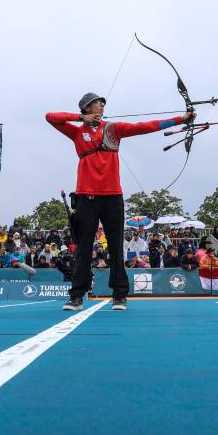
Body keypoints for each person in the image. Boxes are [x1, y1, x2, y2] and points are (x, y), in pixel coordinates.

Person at [47, 92, 194, 311]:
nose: (102, 106)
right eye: (98, 103)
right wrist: (80, 119)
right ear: (87, 108)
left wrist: (180, 119)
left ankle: (119, 296)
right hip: (86, 197)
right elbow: (50, 116)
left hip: (112, 196)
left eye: (103, 104)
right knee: (83, 248)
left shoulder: (112, 129)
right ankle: (77, 296)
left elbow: (147, 126)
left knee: (116, 247)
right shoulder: (77, 132)